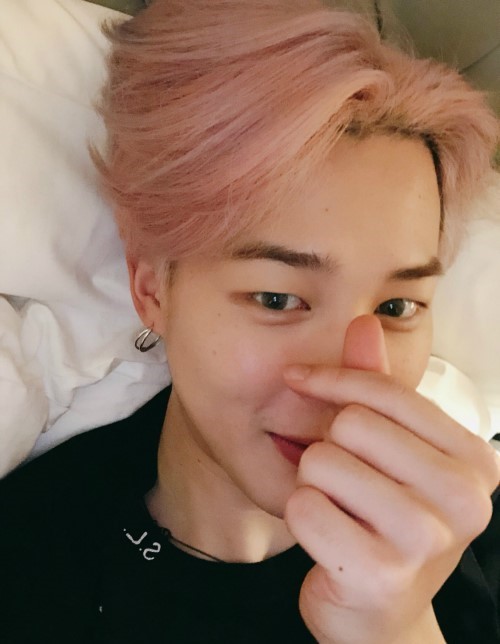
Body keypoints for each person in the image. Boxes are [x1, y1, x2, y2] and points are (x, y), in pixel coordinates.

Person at [1, 1, 499, 642]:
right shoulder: (29, 564)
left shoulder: (467, 525)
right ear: (152, 288)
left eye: (395, 308)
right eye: (275, 298)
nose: (351, 382)